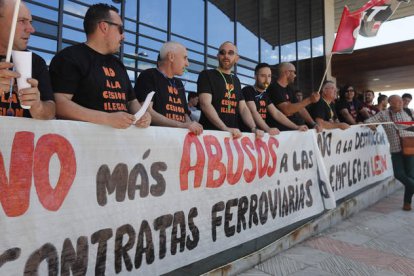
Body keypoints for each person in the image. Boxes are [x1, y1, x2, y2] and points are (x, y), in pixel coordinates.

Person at [49, 3, 150, 129]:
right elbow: (58, 103)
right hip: (85, 143)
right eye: (120, 29)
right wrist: (107, 119)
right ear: (104, 27)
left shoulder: (118, 64)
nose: (123, 36)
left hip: (121, 144)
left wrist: (143, 115)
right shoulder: (69, 57)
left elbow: (131, 101)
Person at [0, 0, 55, 119]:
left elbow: (51, 111)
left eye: (30, 22)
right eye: (21, 21)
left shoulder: (36, 62)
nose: (31, 29)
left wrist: (38, 106)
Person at [197, 41, 262, 138]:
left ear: (237, 58)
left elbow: (243, 108)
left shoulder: (236, 80)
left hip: (233, 136)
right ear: (217, 56)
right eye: (222, 53)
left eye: (230, 53)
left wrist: (253, 127)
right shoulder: (206, 75)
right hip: (210, 136)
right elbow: (205, 104)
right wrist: (225, 128)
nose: (226, 56)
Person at [134, 41, 202, 135]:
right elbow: (146, 110)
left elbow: (184, 114)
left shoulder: (179, 83)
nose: (187, 64)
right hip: (157, 139)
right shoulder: (149, 75)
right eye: (185, 58)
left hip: (178, 140)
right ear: (171, 57)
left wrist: (191, 125)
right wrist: (182, 125)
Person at [365, 95, 414, 211]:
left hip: (411, 148)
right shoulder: (384, 114)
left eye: (401, 101)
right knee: (398, 174)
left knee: (411, 176)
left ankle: (407, 203)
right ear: (390, 103)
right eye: (397, 101)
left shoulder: (409, 111)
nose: (401, 103)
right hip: (395, 149)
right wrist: (371, 125)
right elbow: (368, 121)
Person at [241, 63, 308, 134]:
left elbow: (276, 113)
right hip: (248, 135)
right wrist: (268, 129)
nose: (267, 80)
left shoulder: (264, 95)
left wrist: (296, 127)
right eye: (263, 76)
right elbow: (253, 111)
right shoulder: (248, 90)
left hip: (261, 135)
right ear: (255, 77)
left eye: (269, 76)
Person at [265, 62, 322, 131]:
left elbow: (301, 109)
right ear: (287, 73)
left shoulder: (289, 89)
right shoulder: (273, 88)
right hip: (280, 132)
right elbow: (287, 110)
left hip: (293, 129)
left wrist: (313, 124)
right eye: (294, 72)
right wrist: (309, 100)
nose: (295, 75)